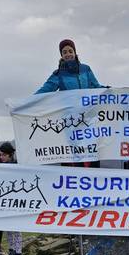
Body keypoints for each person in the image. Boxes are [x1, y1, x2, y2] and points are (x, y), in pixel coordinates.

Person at [35, 38, 103, 168]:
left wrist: (110, 90)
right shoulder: (58, 74)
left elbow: (96, 86)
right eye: (64, 52)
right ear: (61, 55)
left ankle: (95, 180)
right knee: (74, 154)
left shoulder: (86, 69)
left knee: (92, 152)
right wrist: (28, 102)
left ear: (75, 52)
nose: (68, 54)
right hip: (70, 122)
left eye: (70, 51)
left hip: (88, 119)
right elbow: (45, 90)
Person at [0, 142, 24, 255]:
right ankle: (12, 251)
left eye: (3, 155)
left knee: (16, 229)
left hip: (15, 201)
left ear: (10, 155)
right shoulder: (0, 166)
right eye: (0, 155)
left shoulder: (16, 165)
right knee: (8, 228)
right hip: (5, 201)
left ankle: (18, 253)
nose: (1, 157)